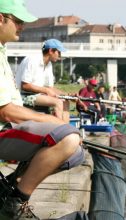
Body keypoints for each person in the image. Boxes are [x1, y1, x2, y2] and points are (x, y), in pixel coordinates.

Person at [0, 1, 84, 219]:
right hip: (6, 124)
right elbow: (6, 112)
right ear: (1, 19)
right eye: (18, 21)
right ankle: (16, 201)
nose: (22, 27)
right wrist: (60, 126)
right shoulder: (28, 59)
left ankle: (9, 188)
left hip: (11, 122)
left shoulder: (2, 50)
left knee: (76, 154)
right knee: (68, 138)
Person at [15, 38, 71, 123]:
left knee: (66, 101)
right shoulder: (32, 60)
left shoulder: (49, 64)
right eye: (58, 52)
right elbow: (25, 85)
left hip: (36, 96)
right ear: (51, 51)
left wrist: (67, 95)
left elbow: (50, 88)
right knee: (58, 102)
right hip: (22, 96)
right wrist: (46, 90)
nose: (60, 55)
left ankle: (67, 130)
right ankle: (60, 131)